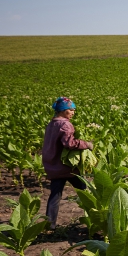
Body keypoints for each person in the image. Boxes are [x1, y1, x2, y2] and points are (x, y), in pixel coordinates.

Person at [42, 97, 93, 229]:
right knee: (86, 192)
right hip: (66, 167)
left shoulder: (51, 123)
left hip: (53, 165)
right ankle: (95, 219)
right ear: (63, 111)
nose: (73, 112)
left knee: (55, 195)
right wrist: (86, 144)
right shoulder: (65, 124)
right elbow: (69, 143)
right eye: (71, 110)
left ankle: (49, 225)